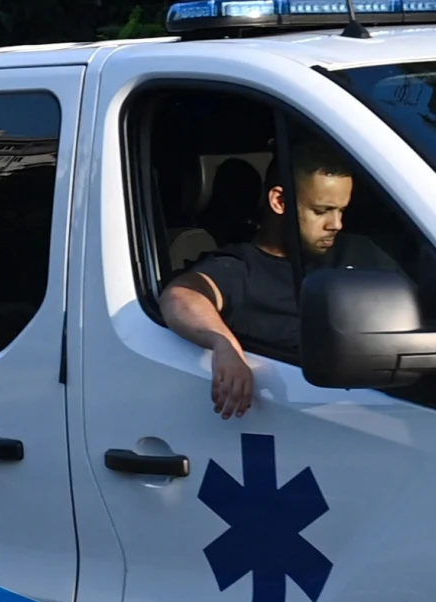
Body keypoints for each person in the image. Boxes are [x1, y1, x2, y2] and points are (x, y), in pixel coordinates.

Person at [158, 149, 378, 418]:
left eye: (342, 210)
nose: (336, 224)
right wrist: (224, 345)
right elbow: (181, 295)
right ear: (280, 201)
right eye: (322, 211)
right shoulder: (240, 269)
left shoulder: (361, 253)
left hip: (374, 406)